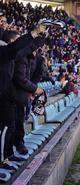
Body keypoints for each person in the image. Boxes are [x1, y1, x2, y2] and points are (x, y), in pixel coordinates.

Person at [0, 24, 46, 171]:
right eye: (17, 40)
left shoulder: (10, 53)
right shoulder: (4, 51)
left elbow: (25, 49)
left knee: (10, 126)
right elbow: (17, 49)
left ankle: (7, 156)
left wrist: (40, 38)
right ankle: (2, 161)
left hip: (7, 97)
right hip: (4, 97)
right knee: (5, 128)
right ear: (11, 42)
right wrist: (33, 33)